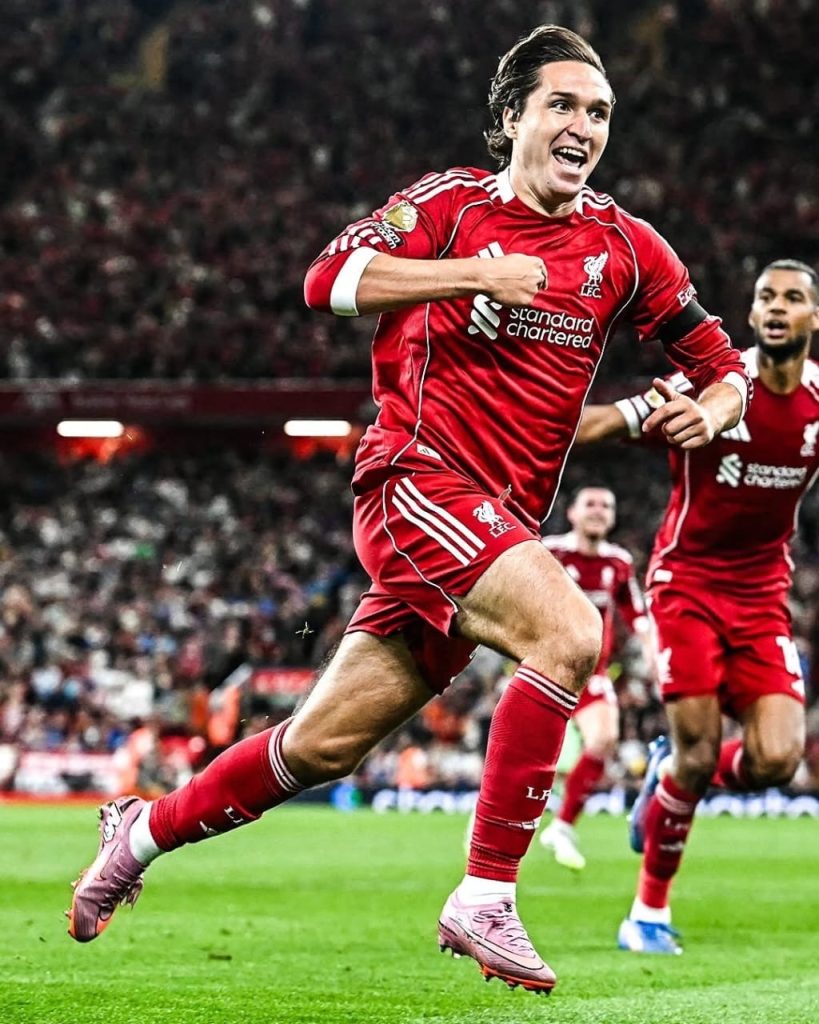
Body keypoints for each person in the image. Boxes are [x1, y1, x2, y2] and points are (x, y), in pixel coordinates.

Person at [67, 25, 749, 994]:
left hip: (493, 527)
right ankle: (485, 894)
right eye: (561, 104)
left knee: (320, 745)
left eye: (598, 112)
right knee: (568, 633)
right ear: (511, 116)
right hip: (415, 484)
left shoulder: (625, 247)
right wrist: (472, 273)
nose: (583, 126)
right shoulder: (447, 206)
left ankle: (138, 833)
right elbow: (328, 280)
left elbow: (721, 365)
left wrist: (708, 412)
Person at [576, 259, 818, 955]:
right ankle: (646, 913)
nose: (777, 307)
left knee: (778, 759)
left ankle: (668, 775)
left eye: (793, 298)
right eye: (766, 297)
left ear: (813, 317)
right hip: (686, 586)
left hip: (762, 595)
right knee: (699, 750)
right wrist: (514, 422)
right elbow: (606, 423)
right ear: (752, 315)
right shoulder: (708, 387)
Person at [538, 486, 652, 870]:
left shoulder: (619, 562)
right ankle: (488, 816)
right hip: (545, 665)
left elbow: (637, 615)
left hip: (591, 672)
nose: (599, 511)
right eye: (590, 504)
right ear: (572, 513)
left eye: (607, 505)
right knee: (529, 754)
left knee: (604, 738)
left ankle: (562, 827)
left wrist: (653, 654)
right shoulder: (550, 552)